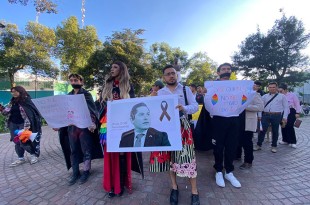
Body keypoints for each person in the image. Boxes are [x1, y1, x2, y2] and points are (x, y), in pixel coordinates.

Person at [151, 65, 200, 205]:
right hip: (166, 129)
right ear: (164, 77)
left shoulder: (185, 89)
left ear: (177, 75)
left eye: (173, 73)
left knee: (188, 158)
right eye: (168, 74)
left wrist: (184, 108)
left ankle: (194, 191)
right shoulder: (160, 93)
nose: (171, 76)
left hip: (183, 129)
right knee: (170, 158)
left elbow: (195, 106)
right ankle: (174, 187)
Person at [99, 61, 143, 198]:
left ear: (121, 70)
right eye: (111, 67)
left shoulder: (128, 86)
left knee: (123, 154)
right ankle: (112, 185)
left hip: (124, 125)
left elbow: (134, 105)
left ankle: (121, 184)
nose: (112, 69)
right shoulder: (107, 86)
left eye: (115, 67)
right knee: (111, 154)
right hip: (108, 124)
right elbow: (100, 105)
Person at [55, 74, 102, 186]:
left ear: (81, 81)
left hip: (84, 128)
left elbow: (92, 110)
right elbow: (65, 113)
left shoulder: (86, 94)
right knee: (74, 150)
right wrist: (59, 124)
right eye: (71, 80)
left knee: (86, 150)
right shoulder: (68, 96)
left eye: (75, 80)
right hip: (72, 128)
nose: (73, 82)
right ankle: (75, 172)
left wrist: (93, 123)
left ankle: (86, 171)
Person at [206, 63, 242, 188]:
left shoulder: (237, 86)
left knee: (231, 146)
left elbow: (245, 98)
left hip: (234, 120)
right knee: (218, 147)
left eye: (228, 69)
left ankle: (229, 171)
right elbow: (208, 103)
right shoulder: (212, 87)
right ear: (218, 72)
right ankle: (219, 171)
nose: (226, 71)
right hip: (218, 121)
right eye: (223, 69)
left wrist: (252, 91)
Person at [0, 86, 42, 166]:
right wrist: (1, 108)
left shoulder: (26, 101)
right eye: (12, 92)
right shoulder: (12, 102)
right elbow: (6, 112)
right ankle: (21, 158)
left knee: (24, 141)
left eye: (15, 91)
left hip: (23, 124)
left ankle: (33, 155)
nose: (13, 93)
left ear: (20, 91)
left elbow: (32, 114)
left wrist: (29, 126)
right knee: (16, 141)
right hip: (13, 124)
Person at [254, 82, 289, 153]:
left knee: (275, 131)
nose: (272, 89)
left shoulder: (282, 96)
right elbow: (260, 106)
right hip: (265, 115)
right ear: (268, 88)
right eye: (270, 87)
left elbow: (286, 107)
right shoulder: (264, 96)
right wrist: (259, 116)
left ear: (276, 88)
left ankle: (274, 146)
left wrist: (284, 117)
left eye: (273, 87)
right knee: (261, 130)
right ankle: (259, 145)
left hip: (276, 115)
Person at [237, 91, 264, 169]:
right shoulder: (236, 94)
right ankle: (237, 155)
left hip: (247, 121)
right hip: (237, 121)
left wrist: (245, 106)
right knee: (237, 139)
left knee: (247, 141)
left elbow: (260, 107)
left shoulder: (254, 94)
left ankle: (248, 161)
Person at [278, 83, 301, 148]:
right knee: (283, 125)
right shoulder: (279, 95)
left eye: (281, 91)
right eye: (279, 91)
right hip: (282, 112)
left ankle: (293, 141)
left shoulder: (292, 95)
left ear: (285, 90)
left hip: (291, 111)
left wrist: (297, 112)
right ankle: (285, 140)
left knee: (290, 126)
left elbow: (297, 104)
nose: (280, 92)